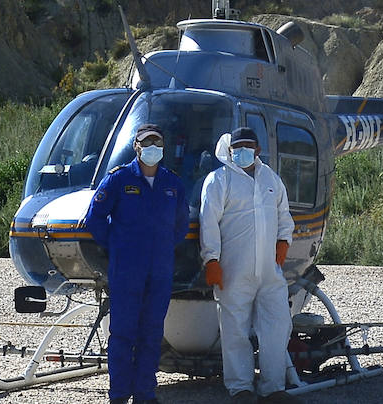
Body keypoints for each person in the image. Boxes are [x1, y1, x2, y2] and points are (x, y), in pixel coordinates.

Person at [84, 123, 188, 404]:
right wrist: (118, 246)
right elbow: (94, 218)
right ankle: (118, 394)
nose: (152, 147)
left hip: (160, 270)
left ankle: (144, 393)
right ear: (136, 146)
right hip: (127, 269)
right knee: (123, 333)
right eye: (147, 142)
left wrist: (163, 247)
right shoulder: (118, 180)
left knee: (152, 332)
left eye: (157, 142)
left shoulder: (173, 183)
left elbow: (181, 226)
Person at [199, 127, 296, 403]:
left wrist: (283, 241)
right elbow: (209, 223)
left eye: (247, 146)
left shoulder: (271, 179)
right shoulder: (219, 180)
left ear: (258, 149)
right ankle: (241, 388)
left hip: (269, 272)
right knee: (234, 329)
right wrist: (212, 260)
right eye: (236, 147)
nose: (241, 151)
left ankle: (273, 387)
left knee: (277, 327)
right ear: (230, 150)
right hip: (232, 270)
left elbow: (284, 216)